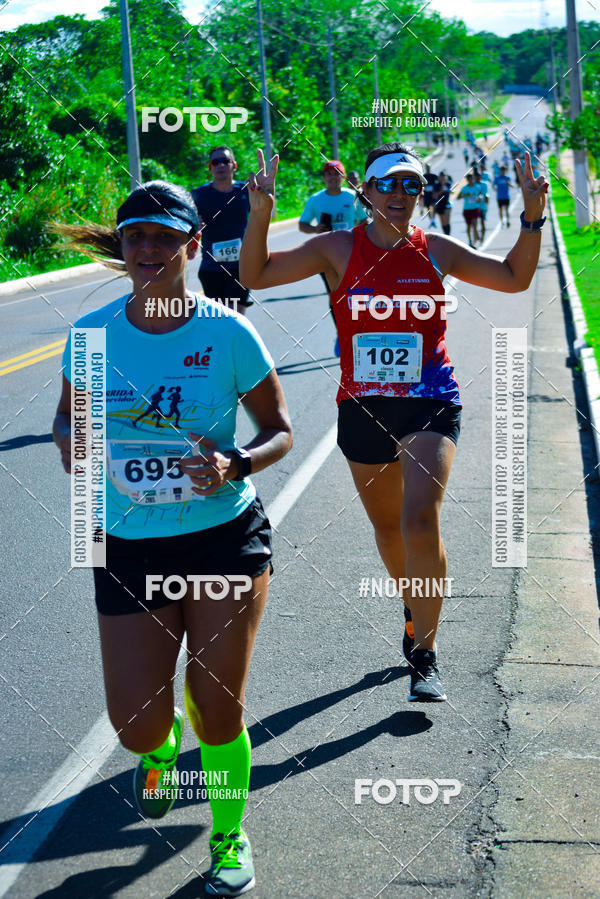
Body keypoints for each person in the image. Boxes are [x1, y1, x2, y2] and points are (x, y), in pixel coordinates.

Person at [53, 180, 293, 896]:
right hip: (128, 544)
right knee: (136, 724)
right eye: (136, 236)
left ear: (194, 245)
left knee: (217, 707)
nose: (149, 248)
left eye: (165, 237)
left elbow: (279, 430)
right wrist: (71, 440)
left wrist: (234, 462)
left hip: (223, 537)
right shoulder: (92, 335)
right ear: (123, 247)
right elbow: (68, 418)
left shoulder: (228, 332)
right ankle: (158, 752)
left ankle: (227, 835)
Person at [240, 143, 547, 703]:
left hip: (430, 400)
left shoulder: (437, 250)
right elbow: (255, 275)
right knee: (388, 530)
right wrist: (260, 213)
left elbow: (513, 278)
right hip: (363, 406)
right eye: (387, 183)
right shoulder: (337, 248)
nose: (400, 194)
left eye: (411, 184)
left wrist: (532, 216)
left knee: (420, 520)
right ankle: (413, 606)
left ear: (421, 193)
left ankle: (425, 655)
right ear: (366, 191)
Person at [299, 160, 367, 357]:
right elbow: (303, 224)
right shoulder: (316, 199)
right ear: (324, 178)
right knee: (335, 295)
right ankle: (342, 333)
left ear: (343, 177)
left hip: (351, 254)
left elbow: (364, 220)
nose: (333, 177)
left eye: (337, 173)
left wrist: (358, 232)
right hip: (326, 256)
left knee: (355, 295)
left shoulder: (352, 196)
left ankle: (357, 332)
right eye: (329, 174)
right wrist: (315, 229)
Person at [191, 146, 253, 315]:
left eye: (225, 161)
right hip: (211, 268)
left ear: (234, 165)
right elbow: (187, 226)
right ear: (210, 167)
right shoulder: (198, 195)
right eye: (215, 162)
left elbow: (262, 215)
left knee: (236, 316)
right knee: (217, 318)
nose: (220, 165)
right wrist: (194, 226)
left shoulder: (246, 191)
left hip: (241, 267)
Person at [457, 172, 481, 247]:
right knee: (469, 226)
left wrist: (480, 198)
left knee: (474, 225)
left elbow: (480, 194)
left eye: (472, 179)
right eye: (469, 179)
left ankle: (475, 242)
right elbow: (458, 197)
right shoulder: (464, 188)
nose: (471, 180)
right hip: (467, 209)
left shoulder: (477, 187)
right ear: (467, 180)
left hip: (475, 208)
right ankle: (470, 240)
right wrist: (466, 195)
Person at [474, 170, 489, 243]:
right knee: (474, 223)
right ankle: (476, 237)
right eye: (476, 177)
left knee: (482, 222)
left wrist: (486, 198)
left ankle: (482, 238)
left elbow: (486, 194)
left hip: (482, 206)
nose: (477, 178)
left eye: (479, 177)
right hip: (474, 207)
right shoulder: (473, 185)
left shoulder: (484, 184)